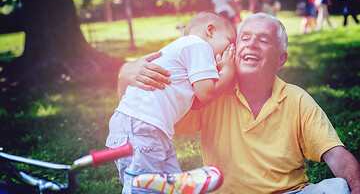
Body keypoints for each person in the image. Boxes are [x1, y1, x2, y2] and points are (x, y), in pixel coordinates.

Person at [118, 12, 360, 193]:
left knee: (338, 187)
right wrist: (125, 74)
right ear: (234, 48)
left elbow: (337, 156)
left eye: (263, 40)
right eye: (244, 38)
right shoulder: (209, 93)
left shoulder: (297, 99)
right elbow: (143, 114)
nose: (251, 44)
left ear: (280, 59)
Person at [107, 11, 237, 193]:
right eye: (229, 42)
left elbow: (198, 101)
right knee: (143, 186)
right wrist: (228, 71)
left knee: (173, 184)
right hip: (142, 127)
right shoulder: (199, 45)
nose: (230, 50)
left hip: (150, 128)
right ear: (210, 30)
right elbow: (207, 93)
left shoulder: (186, 52)